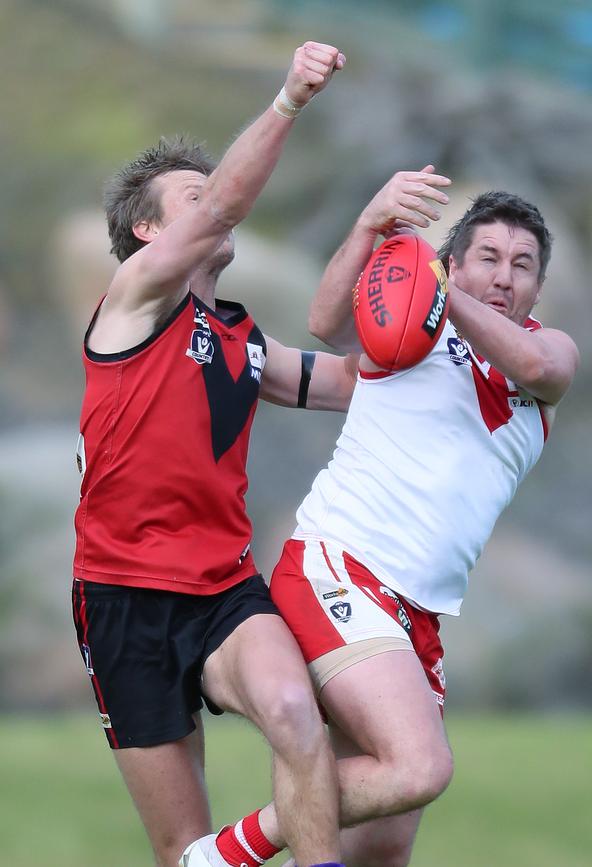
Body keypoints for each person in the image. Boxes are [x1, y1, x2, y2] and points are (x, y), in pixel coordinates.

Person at [182, 170, 579, 867]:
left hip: (416, 611)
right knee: (418, 767)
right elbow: (326, 321)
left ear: (538, 290)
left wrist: (438, 292)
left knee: (384, 844)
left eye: (522, 266)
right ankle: (222, 853)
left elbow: (539, 365)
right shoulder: (405, 343)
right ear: (454, 261)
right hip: (343, 566)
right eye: (487, 257)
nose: (505, 276)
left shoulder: (547, 352)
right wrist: (371, 225)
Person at [71, 42, 360, 867]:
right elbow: (226, 205)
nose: (217, 206)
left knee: (295, 715)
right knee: (181, 850)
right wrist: (289, 101)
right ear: (150, 229)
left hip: (223, 587)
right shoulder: (134, 300)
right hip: (123, 594)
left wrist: (447, 341)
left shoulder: (238, 335)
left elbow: (345, 382)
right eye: (194, 199)